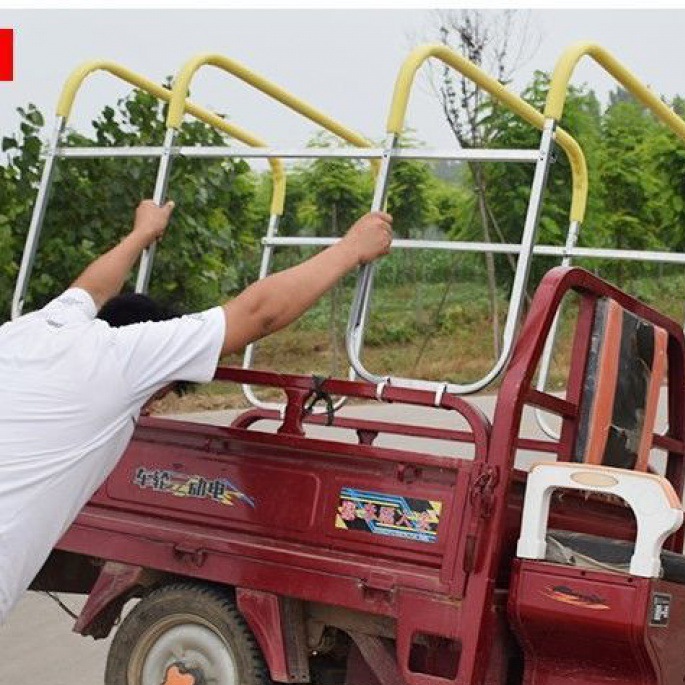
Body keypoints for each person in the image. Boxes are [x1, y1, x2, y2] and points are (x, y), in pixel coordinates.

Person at [0, 200, 392, 623]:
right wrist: (352, 248)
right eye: (158, 395)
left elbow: (92, 290)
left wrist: (141, 233)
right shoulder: (125, 359)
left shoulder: (33, 329)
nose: (150, 408)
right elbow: (257, 313)